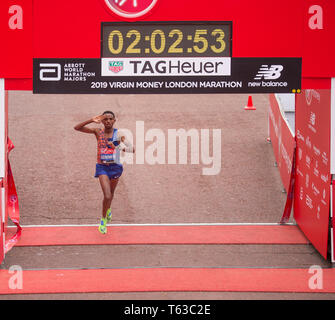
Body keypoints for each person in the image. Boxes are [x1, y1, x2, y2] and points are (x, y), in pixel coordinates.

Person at [74, 111, 135, 234]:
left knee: (111, 194)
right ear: (102, 121)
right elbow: (77, 128)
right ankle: (103, 220)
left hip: (115, 167)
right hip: (102, 167)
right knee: (107, 195)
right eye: (105, 119)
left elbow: (132, 149)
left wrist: (117, 147)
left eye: (110, 119)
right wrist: (91, 119)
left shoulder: (119, 134)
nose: (107, 121)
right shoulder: (98, 132)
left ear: (114, 121)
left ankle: (108, 209)